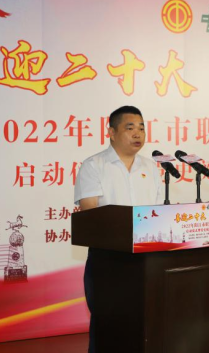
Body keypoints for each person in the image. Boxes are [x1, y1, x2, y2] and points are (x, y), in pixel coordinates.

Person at [74, 106, 162, 352]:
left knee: (144, 323)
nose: (138, 134)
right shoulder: (94, 165)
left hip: (147, 258)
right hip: (109, 259)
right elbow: (90, 213)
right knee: (108, 324)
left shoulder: (151, 167)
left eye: (142, 128)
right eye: (130, 128)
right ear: (111, 132)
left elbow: (158, 212)